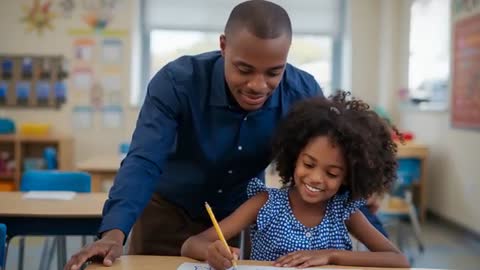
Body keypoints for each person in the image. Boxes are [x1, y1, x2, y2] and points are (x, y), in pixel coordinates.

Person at [65, 1, 322, 269]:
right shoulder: (177, 83)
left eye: (273, 72)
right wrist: (113, 234)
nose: (258, 85)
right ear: (223, 46)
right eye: (244, 70)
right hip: (165, 214)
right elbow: (144, 161)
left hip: (228, 224)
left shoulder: (302, 94)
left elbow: (331, 164)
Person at [181, 91, 409, 269]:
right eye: (308, 164)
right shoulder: (265, 203)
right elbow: (191, 245)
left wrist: (331, 256)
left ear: (348, 177)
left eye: (332, 174)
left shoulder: (344, 211)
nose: (316, 178)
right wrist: (212, 251)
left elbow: (398, 260)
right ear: (293, 157)